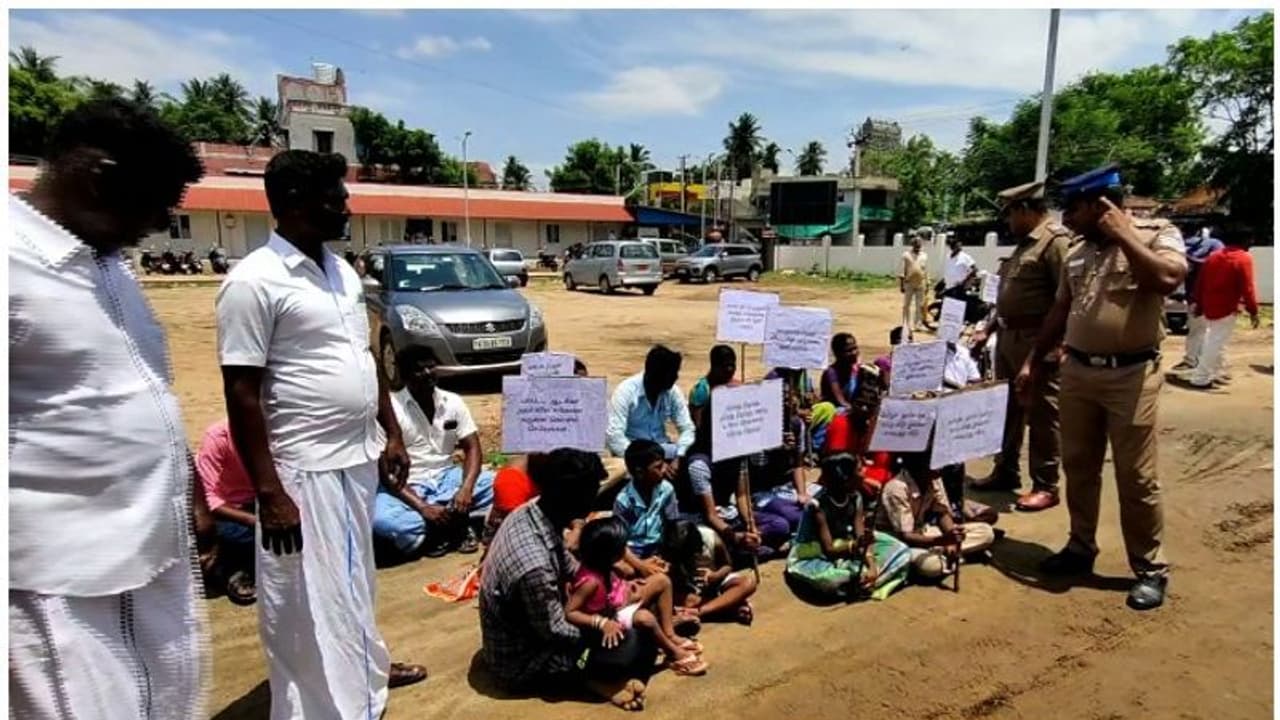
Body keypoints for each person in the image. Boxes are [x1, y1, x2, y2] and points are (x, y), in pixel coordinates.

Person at [9, 98, 212, 720]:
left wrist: (191, 489)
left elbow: (144, 387)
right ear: (100, 175)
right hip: (57, 582)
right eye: (157, 202)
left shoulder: (109, 267)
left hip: (152, 553)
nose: (159, 223)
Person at [217, 150, 425, 719]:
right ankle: (319, 706)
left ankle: (364, 674)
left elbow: (363, 357)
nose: (347, 207)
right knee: (304, 599)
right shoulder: (253, 282)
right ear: (296, 204)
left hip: (355, 458)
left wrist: (392, 434)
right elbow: (241, 392)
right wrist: (269, 492)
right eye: (337, 197)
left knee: (354, 583)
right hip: (299, 471)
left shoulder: (343, 274)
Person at [1016, 164, 1186, 611]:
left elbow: (1168, 279)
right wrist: (1034, 361)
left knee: (1136, 476)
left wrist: (1125, 236)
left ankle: (1150, 569)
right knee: (1079, 465)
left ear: (1101, 206)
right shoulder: (1077, 252)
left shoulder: (1156, 234)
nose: (1066, 218)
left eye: (1074, 209)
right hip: (1078, 373)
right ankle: (1080, 545)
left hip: (1131, 375)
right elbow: (1060, 310)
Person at [480, 449, 658, 711]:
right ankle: (590, 680)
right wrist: (605, 625)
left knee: (632, 623)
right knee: (635, 644)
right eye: (589, 494)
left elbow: (567, 562)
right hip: (520, 659)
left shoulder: (534, 511)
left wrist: (609, 582)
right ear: (572, 498)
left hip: (529, 626)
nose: (592, 502)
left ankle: (596, 672)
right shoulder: (534, 566)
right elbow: (555, 631)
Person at [970, 180, 1072, 512]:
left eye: (1010, 214)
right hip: (1008, 339)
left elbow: (1066, 300)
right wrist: (989, 328)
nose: (1008, 222)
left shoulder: (1055, 243)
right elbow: (1008, 297)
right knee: (1007, 409)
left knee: (1042, 413)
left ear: (1026, 210)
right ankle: (1006, 470)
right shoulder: (1022, 246)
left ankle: (1046, 484)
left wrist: (1042, 352)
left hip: (1038, 341)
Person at [373, 345, 496, 558]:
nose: (428, 374)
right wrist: (422, 507)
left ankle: (442, 524)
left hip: (447, 478)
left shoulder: (452, 401)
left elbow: (472, 446)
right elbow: (386, 472)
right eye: (419, 370)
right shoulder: (390, 411)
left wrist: (466, 488)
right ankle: (450, 526)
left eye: (431, 367)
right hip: (408, 487)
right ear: (404, 375)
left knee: (500, 484)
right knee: (380, 519)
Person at [565, 517, 709, 678]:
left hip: (619, 601)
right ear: (609, 554)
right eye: (621, 547)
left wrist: (627, 584)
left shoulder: (603, 565)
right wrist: (602, 623)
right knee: (645, 618)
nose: (624, 550)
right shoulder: (590, 582)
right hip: (608, 616)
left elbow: (611, 585)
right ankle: (673, 653)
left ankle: (669, 634)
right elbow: (571, 612)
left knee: (662, 580)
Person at [786, 454, 912, 600]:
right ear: (845, 480)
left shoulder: (856, 497)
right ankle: (864, 582)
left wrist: (871, 565)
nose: (864, 472)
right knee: (831, 581)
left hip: (848, 546)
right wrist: (857, 545)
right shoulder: (818, 506)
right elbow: (829, 549)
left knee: (901, 550)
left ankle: (865, 580)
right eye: (859, 470)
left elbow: (860, 535)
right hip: (818, 554)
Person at [876, 453, 996, 582]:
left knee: (986, 532)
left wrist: (951, 536)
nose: (940, 468)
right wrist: (942, 541)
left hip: (925, 532)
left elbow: (941, 512)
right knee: (932, 567)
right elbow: (907, 536)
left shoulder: (934, 479)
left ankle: (950, 555)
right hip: (899, 541)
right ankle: (959, 556)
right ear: (919, 467)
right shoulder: (896, 488)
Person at [1179, 230, 1260, 389]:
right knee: (1215, 341)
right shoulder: (1243, 258)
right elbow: (1248, 288)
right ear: (1245, 241)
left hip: (1210, 305)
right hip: (1227, 307)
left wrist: (1199, 304)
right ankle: (1201, 377)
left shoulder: (1213, 256)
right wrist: (1253, 310)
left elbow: (1200, 283)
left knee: (1216, 339)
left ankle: (1216, 372)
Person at [606, 345, 696, 475]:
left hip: (662, 448)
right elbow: (614, 435)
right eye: (672, 374)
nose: (676, 377)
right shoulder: (626, 391)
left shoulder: (673, 392)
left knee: (696, 461)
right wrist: (648, 462)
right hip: (634, 453)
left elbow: (688, 428)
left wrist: (680, 456)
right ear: (656, 374)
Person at [197, 419, 259, 605]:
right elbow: (206, 495)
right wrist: (251, 520)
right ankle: (230, 570)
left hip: (262, 501)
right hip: (228, 509)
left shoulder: (277, 433)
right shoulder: (218, 437)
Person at [661, 519, 758, 624]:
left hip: (715, 585)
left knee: (748, 583)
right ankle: (728, 609)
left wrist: (714, 576)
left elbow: (727, 565)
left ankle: (702, 612)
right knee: (683, 601)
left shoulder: (710, 537)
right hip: (692, 594)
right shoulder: (667, 550)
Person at [614, 440, 680, 574]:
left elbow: (672, 526)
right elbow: (619, 543)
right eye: (658, 467)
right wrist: (642, 566)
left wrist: (667, 557)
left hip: (657, 549)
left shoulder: (666, 490)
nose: (665, 469)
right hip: (632, 554)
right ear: (639, 472)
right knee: (627, 572)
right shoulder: (624, 501)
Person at [1172, 227, 1226, 373]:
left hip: (1195, 297)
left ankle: (1192, 361)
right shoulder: (1215, 245)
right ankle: (1217, 366)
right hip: (1214, 296)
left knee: (1197, 331)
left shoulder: (1179, 249)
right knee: (1213, 333)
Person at [900, 233, 930, 338]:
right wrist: (901, 284)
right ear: (912, 244)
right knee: (906, 305)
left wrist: (928, 283)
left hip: (921, 283)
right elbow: (902, 270)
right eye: (916, 244)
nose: (918, 246)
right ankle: (906, 323)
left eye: (919, 244)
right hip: (909, 283)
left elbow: (925, 270)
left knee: (920, 305)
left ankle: (917, 324)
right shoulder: (906, 255)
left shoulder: (924, 256)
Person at [820, 333, 861, 409]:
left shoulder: (858, 370)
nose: (854, 353)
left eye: (855, 348)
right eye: (849, 350)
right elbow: (840, 401)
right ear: (838, 353)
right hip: (837, 411)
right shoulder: (831, 373)